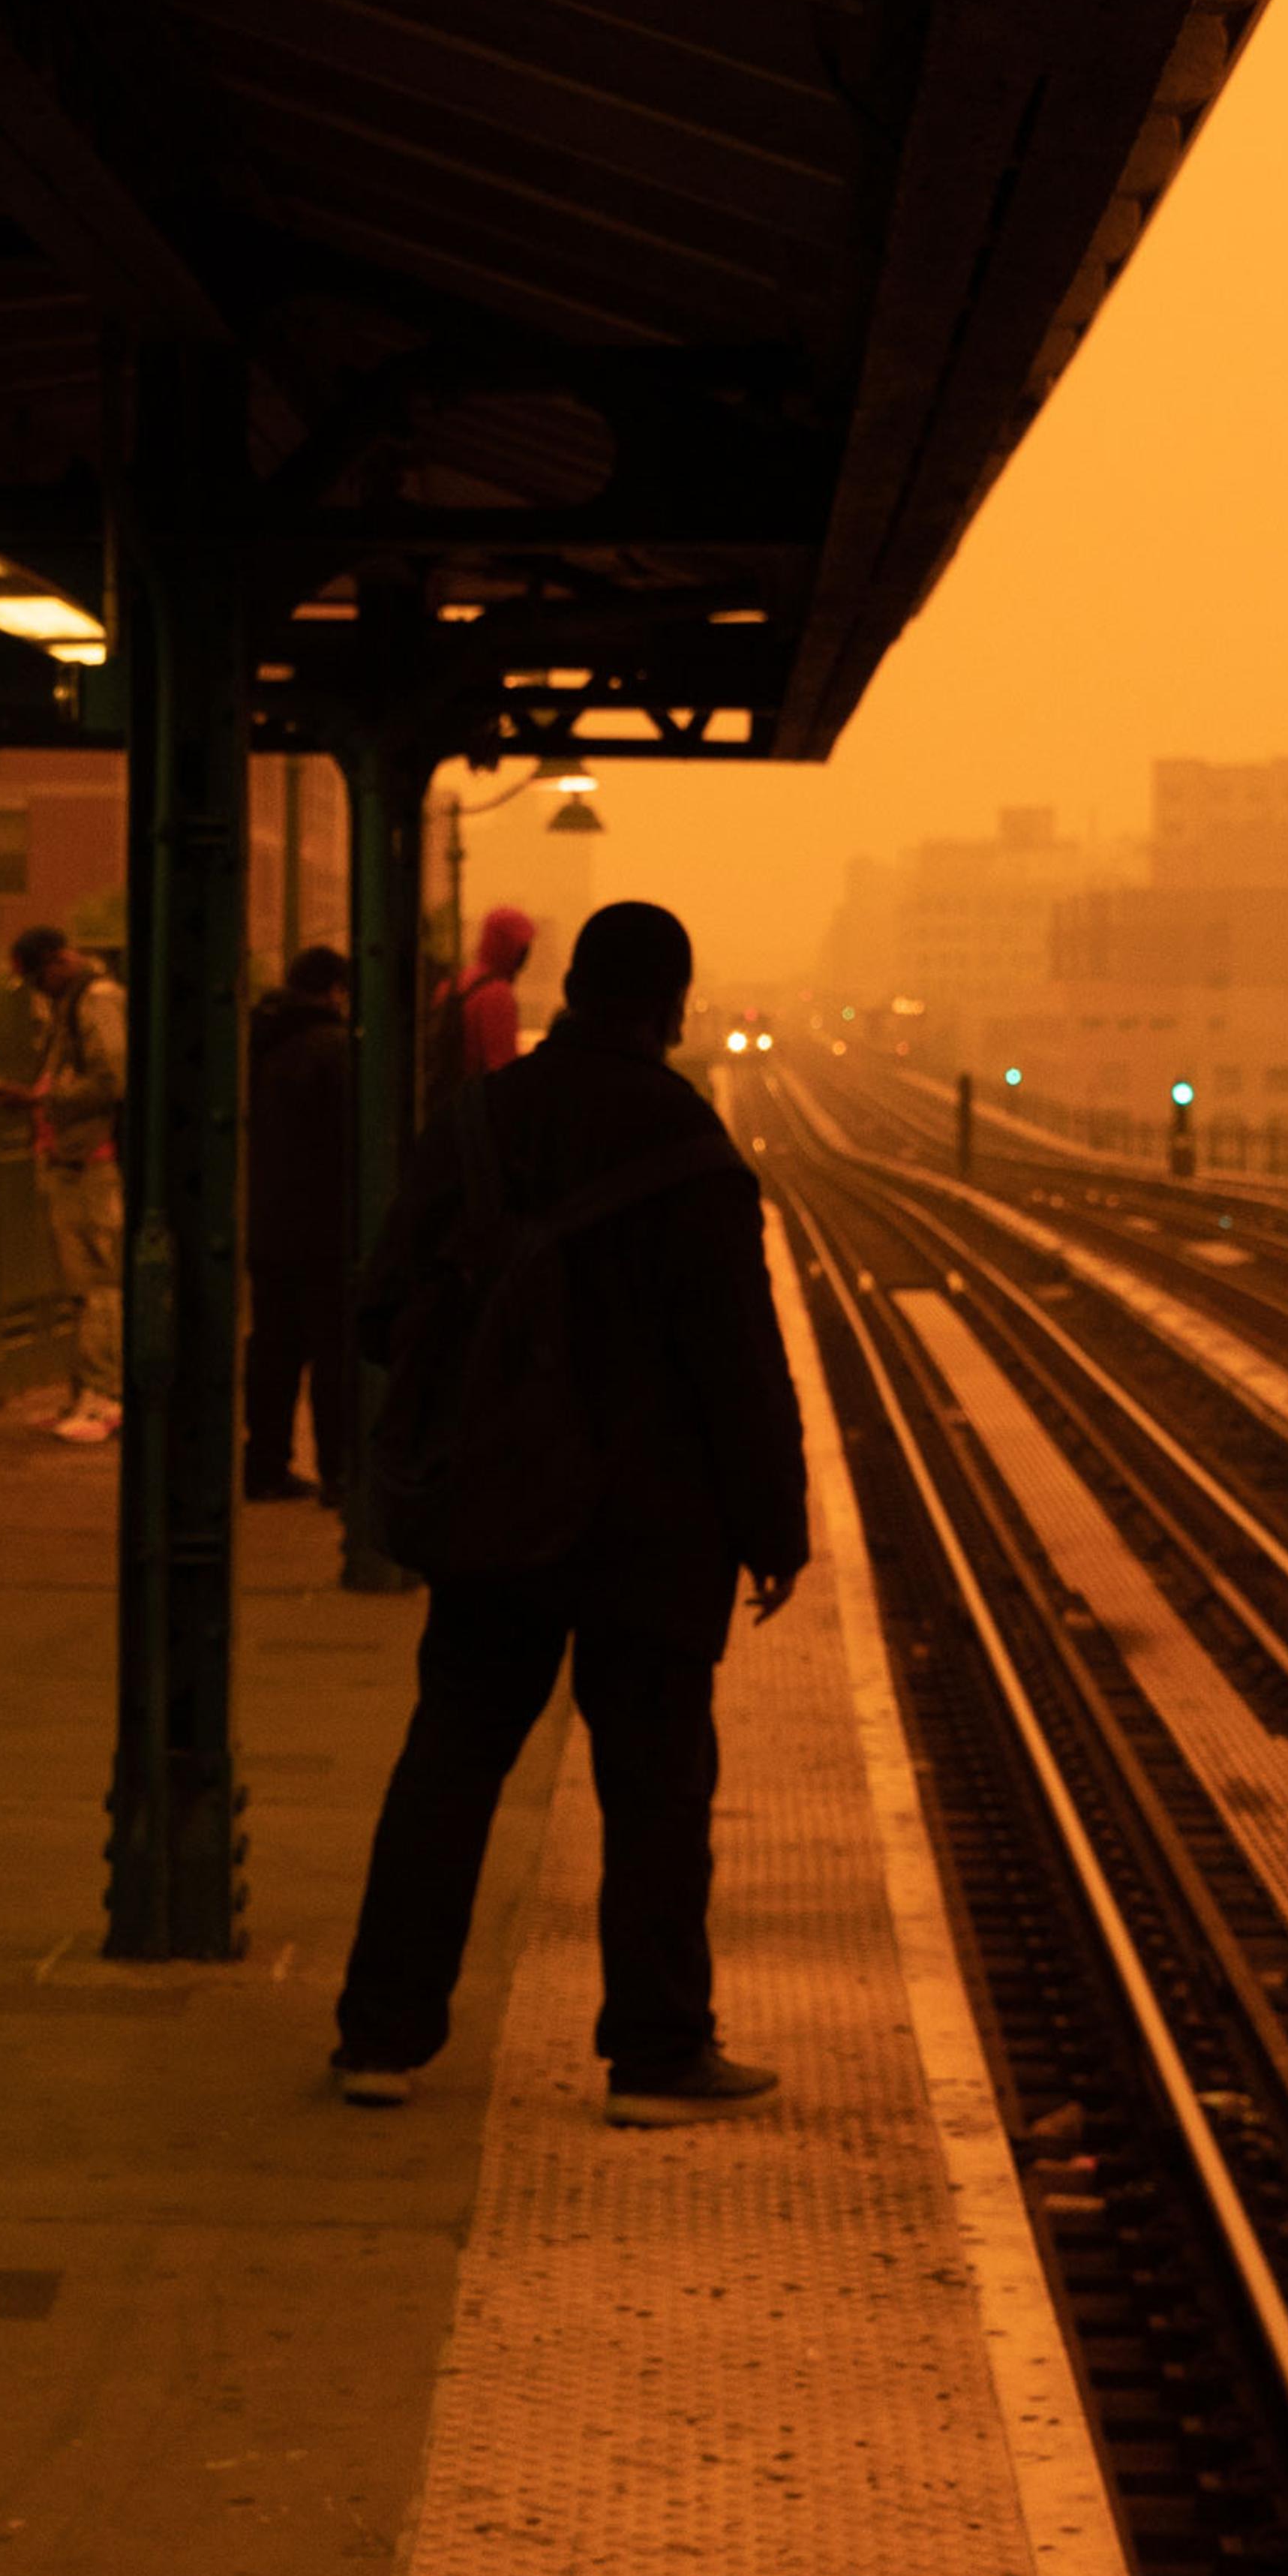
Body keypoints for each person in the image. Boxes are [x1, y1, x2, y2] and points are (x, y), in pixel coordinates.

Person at [333, 900, 808, 2130]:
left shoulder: (480, 1122)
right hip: (655, 1527)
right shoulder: (692, 1147)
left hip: (499, 1513)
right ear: (673, 1007)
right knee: (654, 1786)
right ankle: (654, 2055)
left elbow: (379, 1307)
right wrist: (774, 1525)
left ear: (568, 992)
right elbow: (737, 1358)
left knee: (449, 1765)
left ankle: (380, 2041)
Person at [243, 943, 353, 1504]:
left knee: (275, 1353)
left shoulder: (260, 1042)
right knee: (335, 1357)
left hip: (268, 1222)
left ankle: (265, 1466)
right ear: (336, 991)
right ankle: (340, 1472)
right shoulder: (336, 1050)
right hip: (327, 1228)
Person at [8, 923, 127, 1443]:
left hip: (91, 1161)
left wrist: (45, 1102)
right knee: (84, 1285)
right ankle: (88, 1394)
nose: (37, 989)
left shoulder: (94, 1001)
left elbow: (112, 1077)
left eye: (37, 978)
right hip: (76, 1156)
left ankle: (105, 1398)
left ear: (58, 963)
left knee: (98, 1283)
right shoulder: (75, 1002)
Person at [429, 905, 537, 1105]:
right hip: (475, 1106)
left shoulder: (455, 982)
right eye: (523, 948)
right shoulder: (497, 994)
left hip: (445, 1100)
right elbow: (502, 1068)